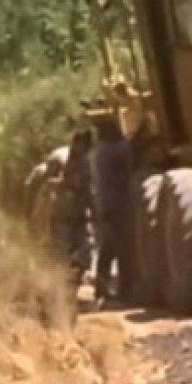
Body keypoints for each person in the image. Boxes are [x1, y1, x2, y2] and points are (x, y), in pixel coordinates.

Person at [91, 116, 134, 307]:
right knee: (121, 248)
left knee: (107, 249)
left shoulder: (97, 152)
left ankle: (102, 287)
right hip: (117, 205)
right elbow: (128, 155)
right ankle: (124, 288)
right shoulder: (113, 150)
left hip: (104, 205)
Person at [50, 131, 93, 293]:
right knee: (63, 253)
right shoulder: (74, 163)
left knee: (81, 250)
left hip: (75, 214)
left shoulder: (78, 162)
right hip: (65, 214)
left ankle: (68, 284)